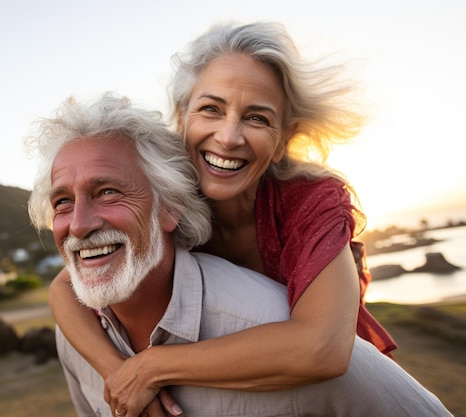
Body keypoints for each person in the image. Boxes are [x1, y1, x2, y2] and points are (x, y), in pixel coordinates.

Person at [48, 21, 398, 416]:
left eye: (257, 118)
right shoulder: (166, 194)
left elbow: (324, 349)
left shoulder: (309, 202)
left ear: (284, 137)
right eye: (210, 109)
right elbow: (63, 290)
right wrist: (117, 373)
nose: (228, 137)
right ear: (182, 116)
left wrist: (150, 368)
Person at [27, 93, 452, 417]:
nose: (78, 224)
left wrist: (153, 368)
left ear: (170, 208)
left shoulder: (275, 331)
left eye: (108, 192)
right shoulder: (77, 336)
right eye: (62, 201)